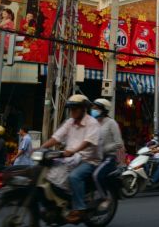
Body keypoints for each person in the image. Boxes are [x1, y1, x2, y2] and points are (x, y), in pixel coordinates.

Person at [39, 94, 100, 223]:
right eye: (71, 109)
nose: (72, 111)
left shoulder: (92, 122)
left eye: (75, 108)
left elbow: (88, 142)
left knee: (74, 177)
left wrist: (73, 150)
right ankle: (58, 205)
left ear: (83, 109)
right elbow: (56, 138)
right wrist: (41, 148)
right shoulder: (70, 122)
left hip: (88, 160)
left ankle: (80, 208)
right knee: (48, 173)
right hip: (70, 157)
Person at [91, 98, 123, 209]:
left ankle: (106, 198)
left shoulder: (111, 123)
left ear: (103, 110)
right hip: (95, 157)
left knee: (96, 175)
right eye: (93, 108)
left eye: (96, 108)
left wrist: (105, 148)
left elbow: (119, 143)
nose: (93, 110)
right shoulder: (93, 123)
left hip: (109, 157)